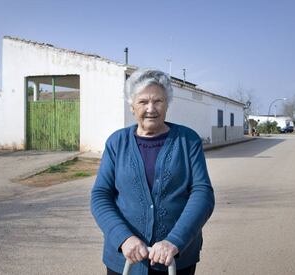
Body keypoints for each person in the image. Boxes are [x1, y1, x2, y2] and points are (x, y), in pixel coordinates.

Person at [91, 69, 215, 275]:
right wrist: (123, 238)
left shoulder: (188, 140)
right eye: (143, 102)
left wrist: (174, 241)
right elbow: (100, 195)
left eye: (158, 101)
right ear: (132, 106)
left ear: (167, 104)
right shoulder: (117, 142)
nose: (151, 108)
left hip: (175, 258)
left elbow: (202, 194)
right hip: (125, 258)